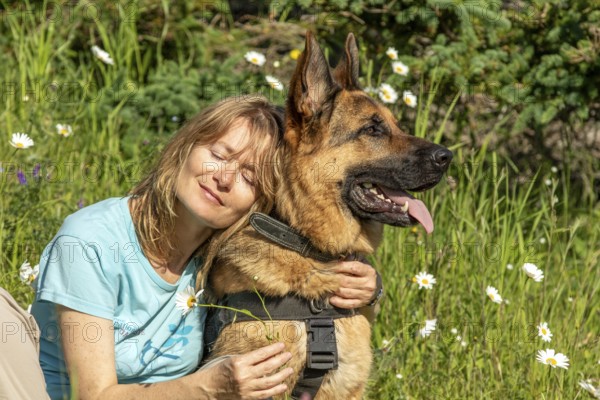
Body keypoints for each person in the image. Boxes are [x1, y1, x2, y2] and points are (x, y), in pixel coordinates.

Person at [17, 95, 382, 400]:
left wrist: (366, 286)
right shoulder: (90, 240)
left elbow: (305, 254)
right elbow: (94, 395)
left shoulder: (221, 254)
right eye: (219, 154)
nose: (223, 178)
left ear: (259, 204)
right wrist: (206, 388)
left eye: (248, 177)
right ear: (187, 145)